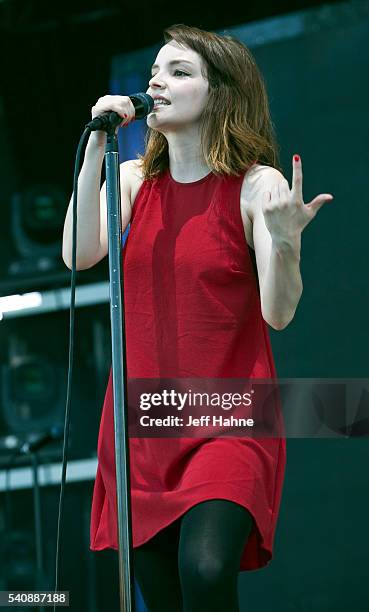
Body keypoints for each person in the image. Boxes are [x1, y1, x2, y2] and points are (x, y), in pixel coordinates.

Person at [62, 23, 333, 612]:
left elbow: (279, 313)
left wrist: (285, 244)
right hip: (144, 423)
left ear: (221, 94)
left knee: (205, 570)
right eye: (155, 71)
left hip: (227, 416)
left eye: (180, 72)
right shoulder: (134, 178)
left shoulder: (257, 185)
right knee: (162, 595)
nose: (157, 82)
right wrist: (91, 152)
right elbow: (78, 253)